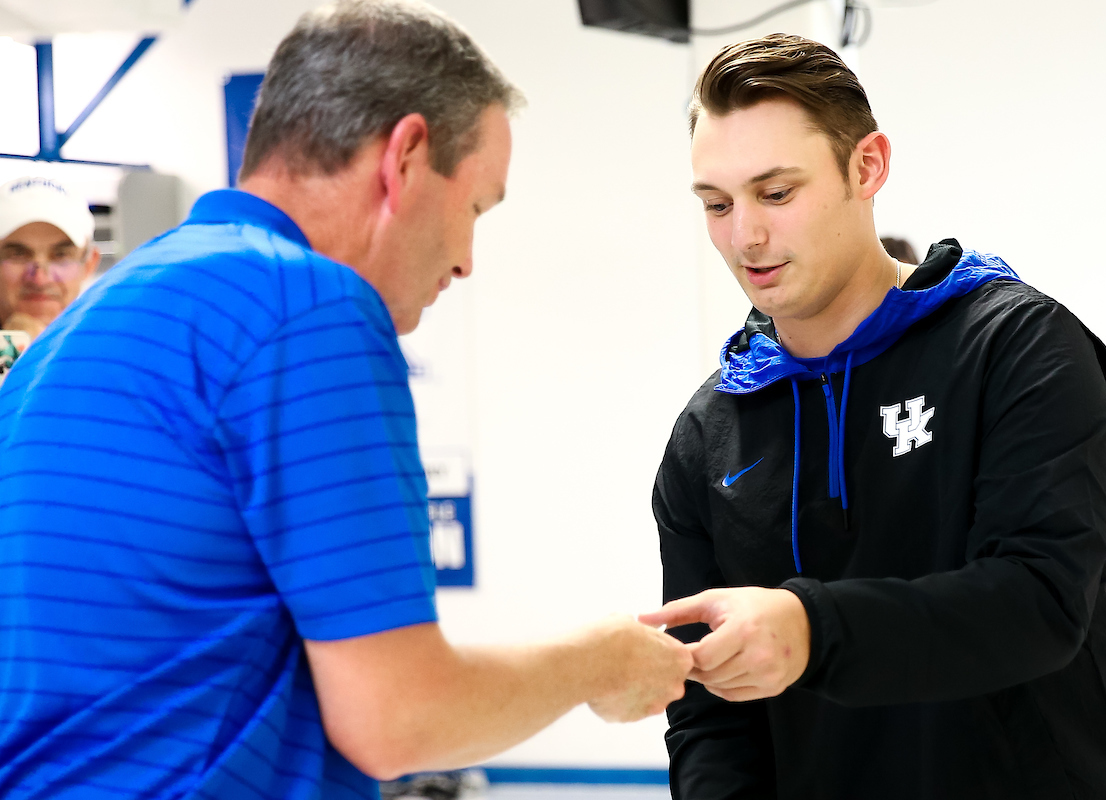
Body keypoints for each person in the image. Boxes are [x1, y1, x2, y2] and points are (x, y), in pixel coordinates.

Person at [0, 2, 691, 798]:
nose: (466, 259)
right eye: (474, 208)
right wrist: (600, 662)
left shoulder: (88, 323)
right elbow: (399, 720)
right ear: (405, 157)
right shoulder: (306, 305)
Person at [640, 34, 1106, 799]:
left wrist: (810, 630)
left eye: (776, 194)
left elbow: (1039, 603)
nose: (744, 235)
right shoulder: (706, 435)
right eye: (717, 204)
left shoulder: (1014, 346)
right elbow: (711, 714)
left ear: (867, 167)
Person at [0, 176, 100, 342]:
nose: (40, 279)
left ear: (90, 264)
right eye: (18, 255)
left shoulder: (119, 344)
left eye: (60, 255)